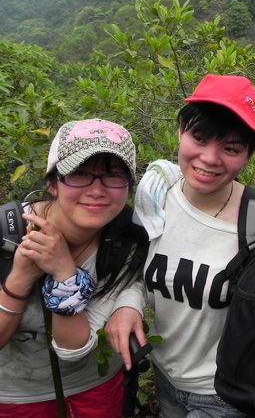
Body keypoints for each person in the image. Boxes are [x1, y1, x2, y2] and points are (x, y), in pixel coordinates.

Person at [106, 74, 255, 417]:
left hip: (225, 394)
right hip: (165, 377)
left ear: (248, 155)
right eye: (199, 138)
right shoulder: (156, 197)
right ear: (180, 132)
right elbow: (135, 270)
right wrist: (128, 305)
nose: (210, 158)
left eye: (230, 148)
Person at [0, 118, 148, 417]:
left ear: (128, 188)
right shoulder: (6, 234)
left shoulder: (128, 240)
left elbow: (73, 349)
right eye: (80, 174)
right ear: (52, 184)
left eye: (113, 175)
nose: (97, 190)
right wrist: (20, 278)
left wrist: (64, 273)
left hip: (96, 387)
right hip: (15, 397)